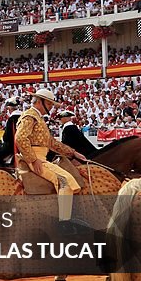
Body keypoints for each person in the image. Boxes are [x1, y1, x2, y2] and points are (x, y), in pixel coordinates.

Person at [14, 89, 92, 235]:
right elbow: (20, 138)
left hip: (40, 156)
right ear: (39, 102)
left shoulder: (38, 119)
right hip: (35, 158)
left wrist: (73, 153)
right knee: (65, 180)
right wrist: (33, 159)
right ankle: (64, 224)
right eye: (49, 104)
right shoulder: (30, 116)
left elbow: (51, 143)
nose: (51, 107)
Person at [0, 97, 21, 167]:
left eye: (8, 109)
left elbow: (7, 136)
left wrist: (3, 140)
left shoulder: (12, 118)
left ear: (10, 108)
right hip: (24, 142)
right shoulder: (23, 116)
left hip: (13, 144)